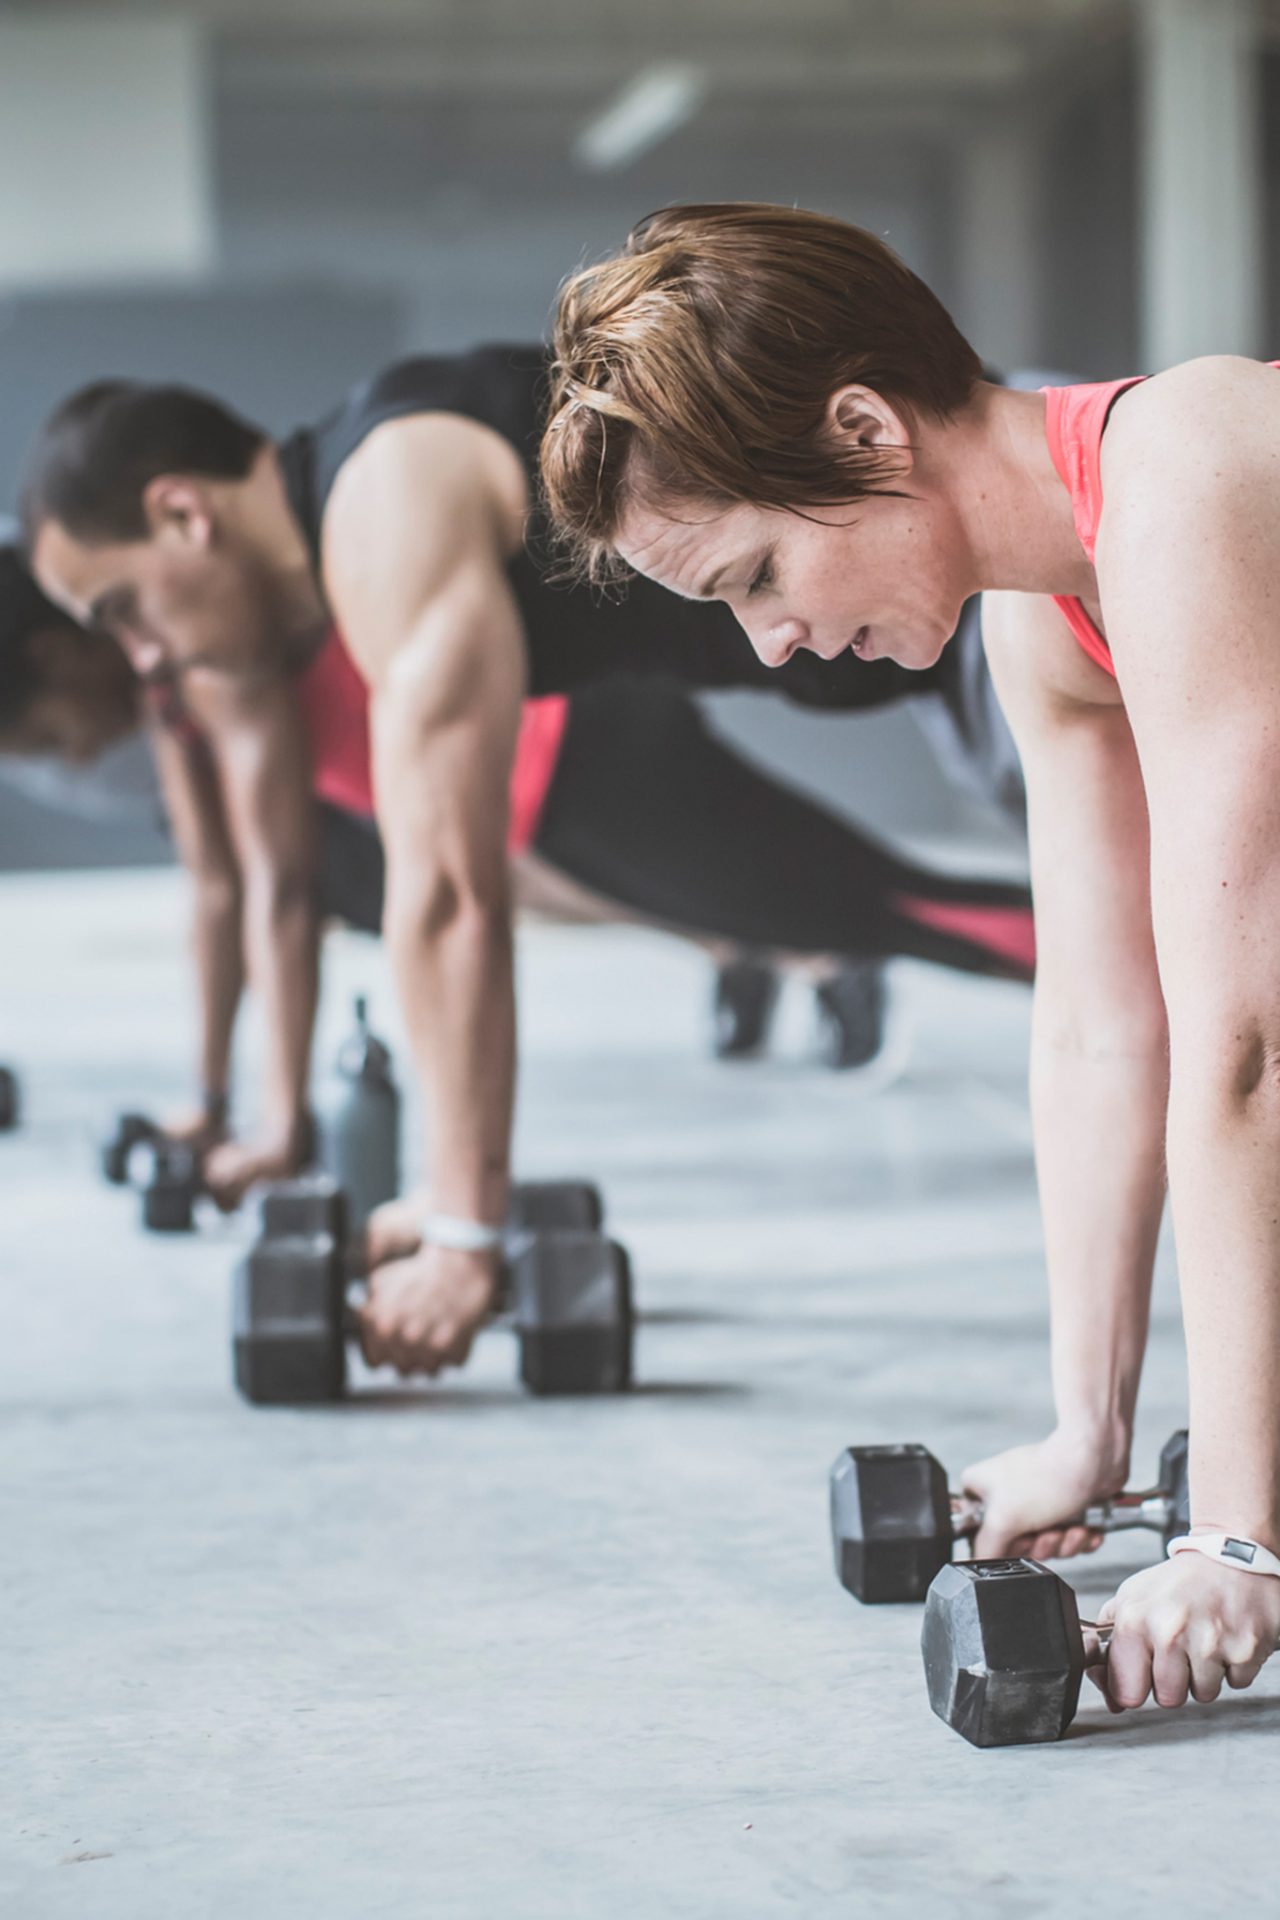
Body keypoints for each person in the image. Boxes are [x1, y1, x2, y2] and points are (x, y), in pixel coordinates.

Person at [539, 200, 1280, 1720]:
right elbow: (1101, 1029)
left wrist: (1239, 1539)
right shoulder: (1044, 618)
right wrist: (1092, 1429)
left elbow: (1245, 1040)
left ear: (866, 429)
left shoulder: (1190, 476)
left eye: (753, 577)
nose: (773, 646)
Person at [18, 349, 1029, 1383]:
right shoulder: (361, 502)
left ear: (183, 515)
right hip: (941, 606)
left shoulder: (385, 510)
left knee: (1100, 948)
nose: (140, 657)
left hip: (995, 532)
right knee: (1024, 928)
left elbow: (448, 894)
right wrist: (452, 1197)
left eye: (123, 610)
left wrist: (465, 1234)